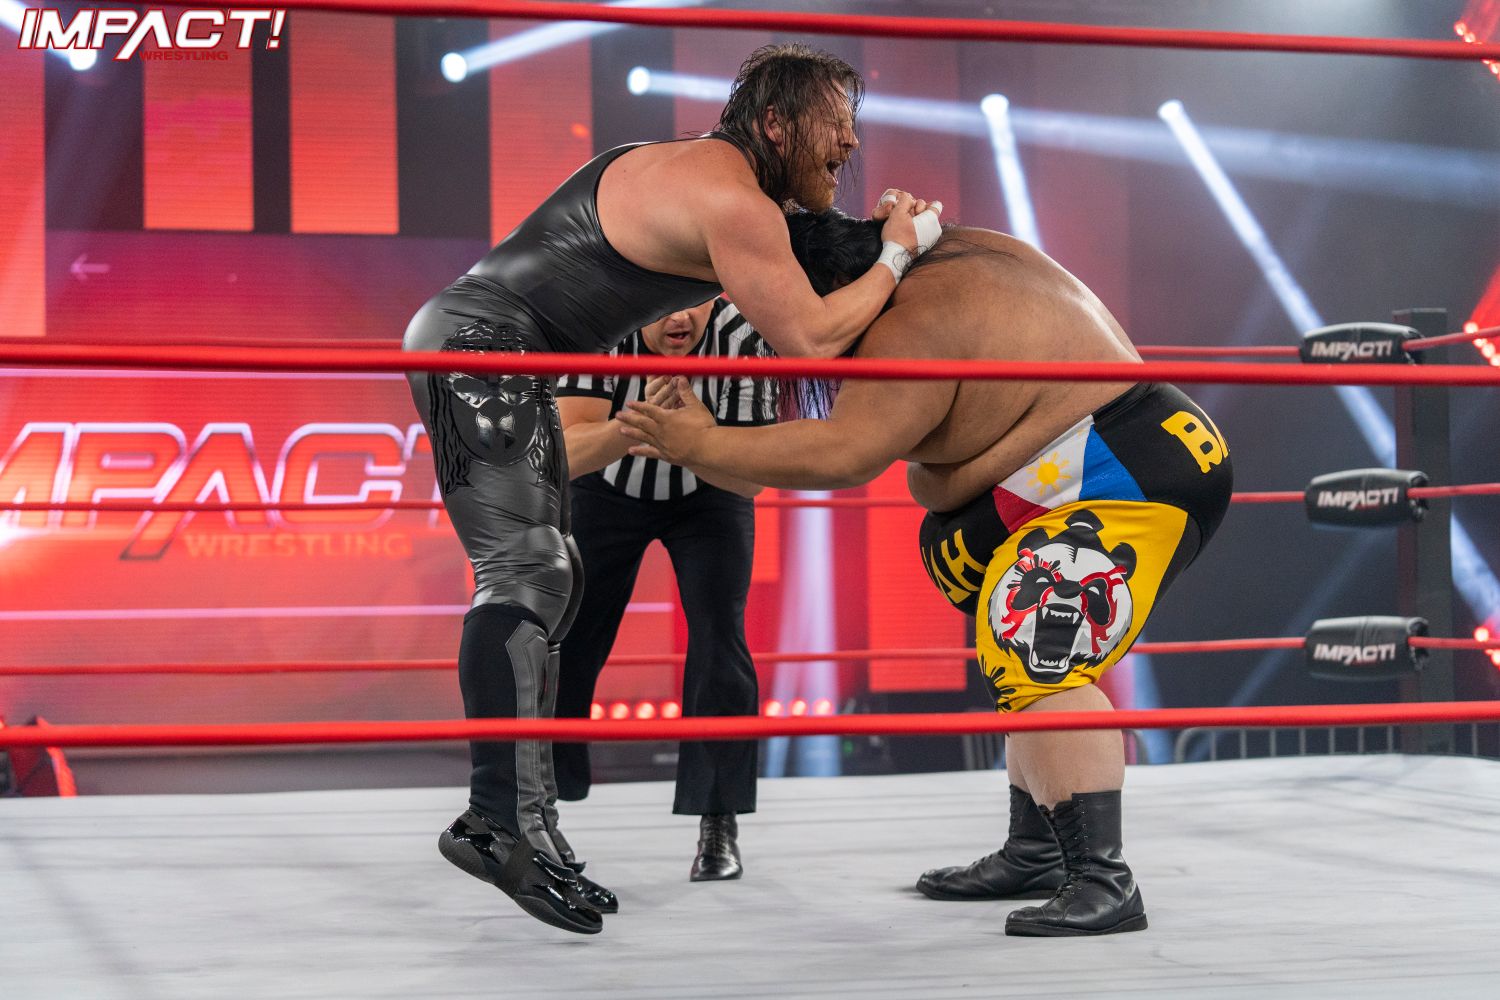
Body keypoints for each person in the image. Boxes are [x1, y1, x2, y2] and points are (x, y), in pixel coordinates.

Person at [401, 42, 943, 936]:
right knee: (529, 572)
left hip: (498, 346)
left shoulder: (718, 179)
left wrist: (882, 233)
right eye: (836, 125)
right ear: (778, 123)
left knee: (554, 576)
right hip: (482, 346)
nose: (850, 144)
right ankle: (496, 822)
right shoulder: (730, 198)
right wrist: (896, 256)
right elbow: (813, 339)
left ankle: (529, 823)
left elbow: (810, 257)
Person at [617, 210, 1233, 937]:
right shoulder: (935, 251)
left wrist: (698, 442)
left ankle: (1104, 880)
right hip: (1092, 456)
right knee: (1009, 646)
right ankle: (1037, 848)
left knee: (1040, 656)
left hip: (1122, 467)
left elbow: (845, 453)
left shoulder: (908, 324)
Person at [553, 296, 775, 883]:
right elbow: (565, 453)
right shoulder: (600, 324)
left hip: (710, 491)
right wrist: (636, 424)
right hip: (604, 486)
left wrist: (692, 442)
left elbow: (751, 479)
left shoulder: (744, 339)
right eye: (665, 306)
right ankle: (540, 811)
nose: (679, 319)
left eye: (693, 302)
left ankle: (718, 821)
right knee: (565, 638)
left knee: (721, 644)